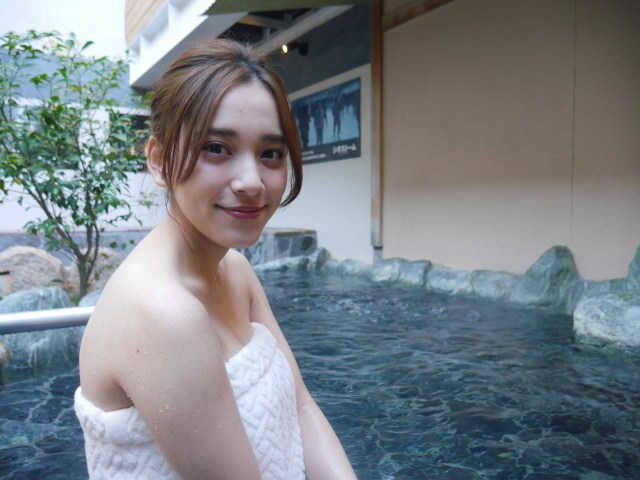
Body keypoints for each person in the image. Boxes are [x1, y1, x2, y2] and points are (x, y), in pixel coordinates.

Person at [74, 38, 357, 480]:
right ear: (159, 161)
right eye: (216, 147)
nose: (251, 182)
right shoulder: (162, 313)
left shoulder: (236, 271)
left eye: (270, 154)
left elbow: (300, 405)